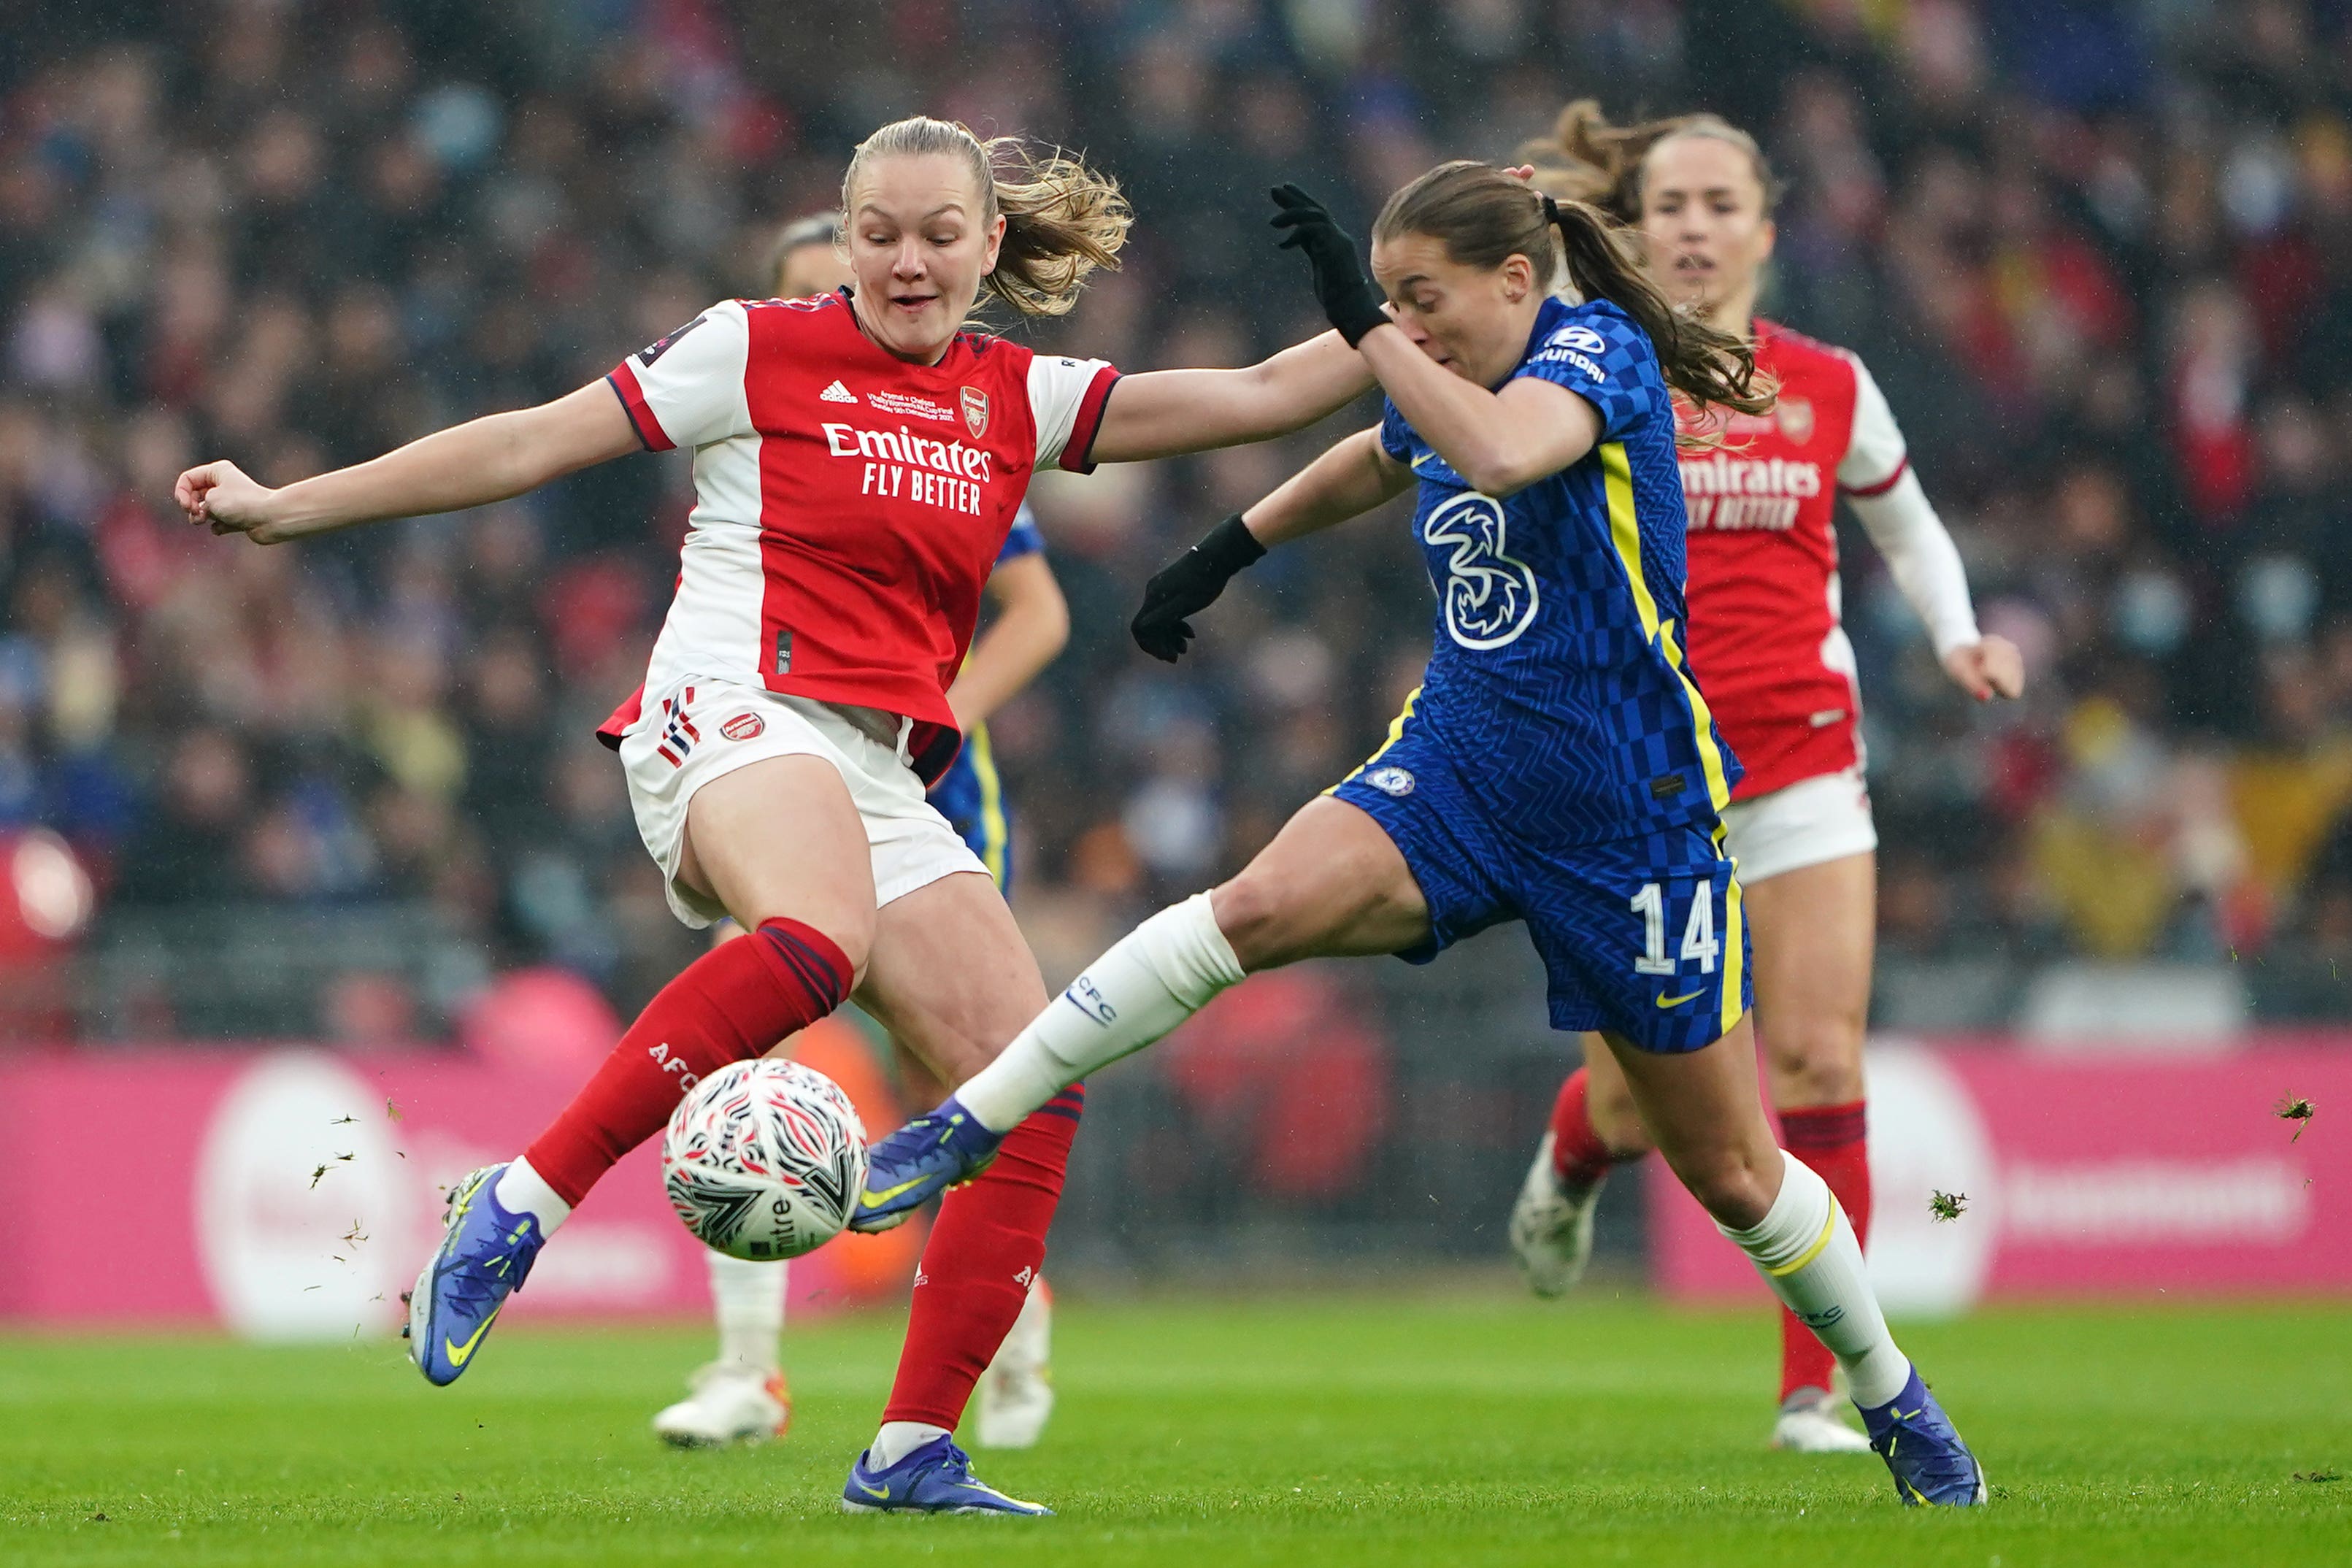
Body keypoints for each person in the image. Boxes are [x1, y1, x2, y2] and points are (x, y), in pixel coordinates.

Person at [173, 115, 1379, 1517]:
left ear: (991, 245)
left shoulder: (1023, 395)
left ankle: (910, 1449)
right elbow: (524, 443)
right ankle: (517, 1205)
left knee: (1031, 1077)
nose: (908, 261)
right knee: (816, 934)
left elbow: (1268, 392)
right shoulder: (751, 346)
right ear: (843, 230)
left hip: (876, 766)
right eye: (879, 233)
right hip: (728, 705)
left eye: (940, 235)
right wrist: (285, 510)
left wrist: (1401, 301)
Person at [855, 162, 1989, 1509]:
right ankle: (967, 1121)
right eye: (1388, 297)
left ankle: (1888, 1393)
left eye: (1421, 297)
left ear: (1515, 281)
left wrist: (1367, 326)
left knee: (1737, 1171)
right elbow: (1369, 455)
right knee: (1254, 908)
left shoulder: (1597, 350)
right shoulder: (1439, 374)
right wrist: (1224, 552)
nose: (1402, 324)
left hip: (1631, 810)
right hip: (1458, 764)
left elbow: (1504, 452)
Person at [1498, 105, 2024, 1455]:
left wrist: (1961, 635)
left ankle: (1817, 1390)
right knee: (1636, 1104)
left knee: (1811, 1056)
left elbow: (1906, 525)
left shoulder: (1829, 380)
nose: (1692, 225)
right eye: (1668, 203)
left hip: (1800, 761)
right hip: (1639, 779)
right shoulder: (1593, 364)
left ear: (1763, 230)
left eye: (1719, 203)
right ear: (1634, 225)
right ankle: (1573, 1157)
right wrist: (1509, 235)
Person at [653, 212, 1066, 1453]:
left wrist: (940, 717)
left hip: (916, 781)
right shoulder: (764, 410)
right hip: (774, 752)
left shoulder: (940, 425)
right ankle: (746, 1369)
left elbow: (1036, 610)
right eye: (803, 289)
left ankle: (1004, 1325)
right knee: (752, 1027)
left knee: (969, 1086)